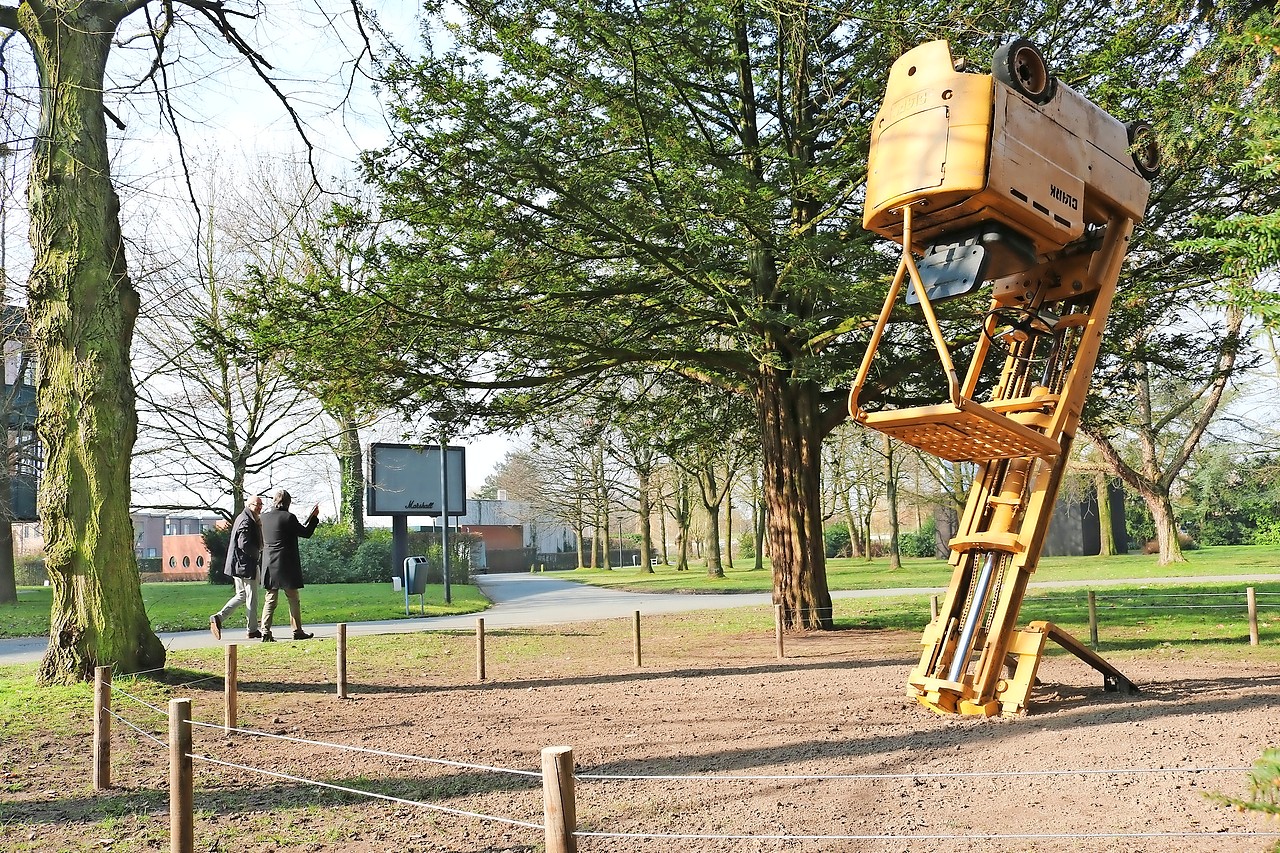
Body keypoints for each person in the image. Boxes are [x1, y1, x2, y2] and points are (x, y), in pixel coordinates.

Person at [258, 489, 320, 642]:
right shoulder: (289, 517)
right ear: (288, 502)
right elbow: (306, 533)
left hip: (269, 563)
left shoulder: (263, 518)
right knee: (293, 598)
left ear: (274, 501)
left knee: (270, 599)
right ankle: (297, 630)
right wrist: (314, 518)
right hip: (286, 564)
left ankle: (265, 631)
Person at [210, 494, 264, 640]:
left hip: (239, 564)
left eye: (261, 504)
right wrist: (256, 554)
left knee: (241, 595)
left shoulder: (245, 517)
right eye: (256, 504)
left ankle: (218, 618)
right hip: (245, 565)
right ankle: (252, 630)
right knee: (252, 598)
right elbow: (244, 543)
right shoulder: (246, 520)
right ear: (249, 505)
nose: (259, 507)